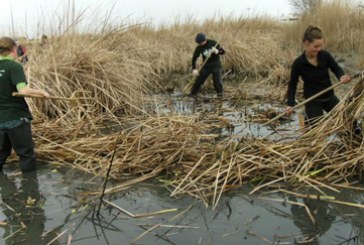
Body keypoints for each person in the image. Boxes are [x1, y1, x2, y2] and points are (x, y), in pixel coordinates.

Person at [0, 37, 49, 172]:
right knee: (26, 156)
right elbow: (23, 90)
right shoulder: (14, 66)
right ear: (13, 49)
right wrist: (41, 93)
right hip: (16, 119)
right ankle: (29, 189)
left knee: (1, 155)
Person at [285, 26, 351, 126]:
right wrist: (290, 104)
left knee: (348, 120)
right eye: (316, 46)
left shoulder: (325, 56)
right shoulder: (298, 63)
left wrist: (341, 76)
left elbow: (336, 68)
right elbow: (292, 84)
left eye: (320, 46)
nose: (319, 49)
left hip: (329, 96)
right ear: (306, 44)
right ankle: (306, 118)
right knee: (315, 130)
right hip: (312, 100)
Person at [189, 32, 225, 98]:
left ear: (205, 40)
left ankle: (220, 96)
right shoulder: (199, 48)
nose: (201, 44)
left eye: (202, 42)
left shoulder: (213, 43)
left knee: (217, 82)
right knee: (199, 80)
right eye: (199, 43)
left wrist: (217, 51)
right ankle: (193, 94)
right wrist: (194, 69)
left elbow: (223, 52)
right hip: (206, 65)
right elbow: (194, 58)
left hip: (216, 64)